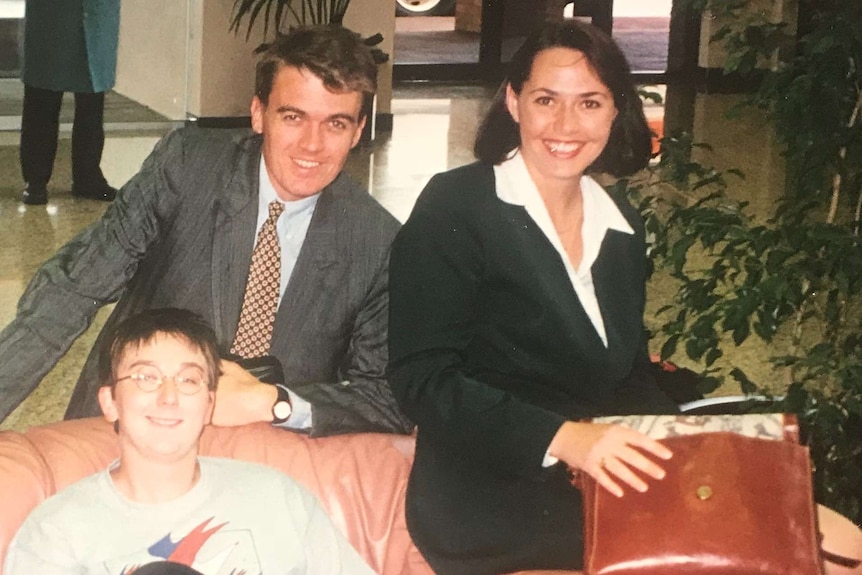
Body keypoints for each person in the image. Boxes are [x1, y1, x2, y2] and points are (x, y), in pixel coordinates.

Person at [0, 25, 413, 437]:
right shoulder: (188, 168)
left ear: (358, 131)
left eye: (336, 124)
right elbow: (71, 290)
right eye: (293, 117)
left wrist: (276, 402)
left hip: (264, 461)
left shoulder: (376, 242)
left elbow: (388, 398)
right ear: (258, 114)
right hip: (130, 432)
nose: (312, 144)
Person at [3, 308, 376, 575]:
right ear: (110, 402)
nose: (169, 397)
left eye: (188, 380)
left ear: (209, 403)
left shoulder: (278, 497)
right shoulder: (56, 531)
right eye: (146, 377)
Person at [19, 0, 120, 205]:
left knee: (91, 102)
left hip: (97, 11)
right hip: (51, 14)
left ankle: (87, 177)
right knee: (42, 98)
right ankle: (36, 181)